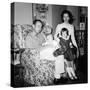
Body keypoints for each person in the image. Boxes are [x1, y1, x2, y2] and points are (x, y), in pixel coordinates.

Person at [54, 10, 79, 83]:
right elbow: (55, 35)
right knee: (63, 60)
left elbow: (73, 38)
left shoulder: (71, 26)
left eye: (67, 16)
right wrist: (58, 42)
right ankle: (63, 75)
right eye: (64, 16)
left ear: (69, 17)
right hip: (61, 45)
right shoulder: (59, 25)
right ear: (62, 17)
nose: (65, 18)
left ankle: (71, 75)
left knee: (70, 60)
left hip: (68, 45)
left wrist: (77, 48)